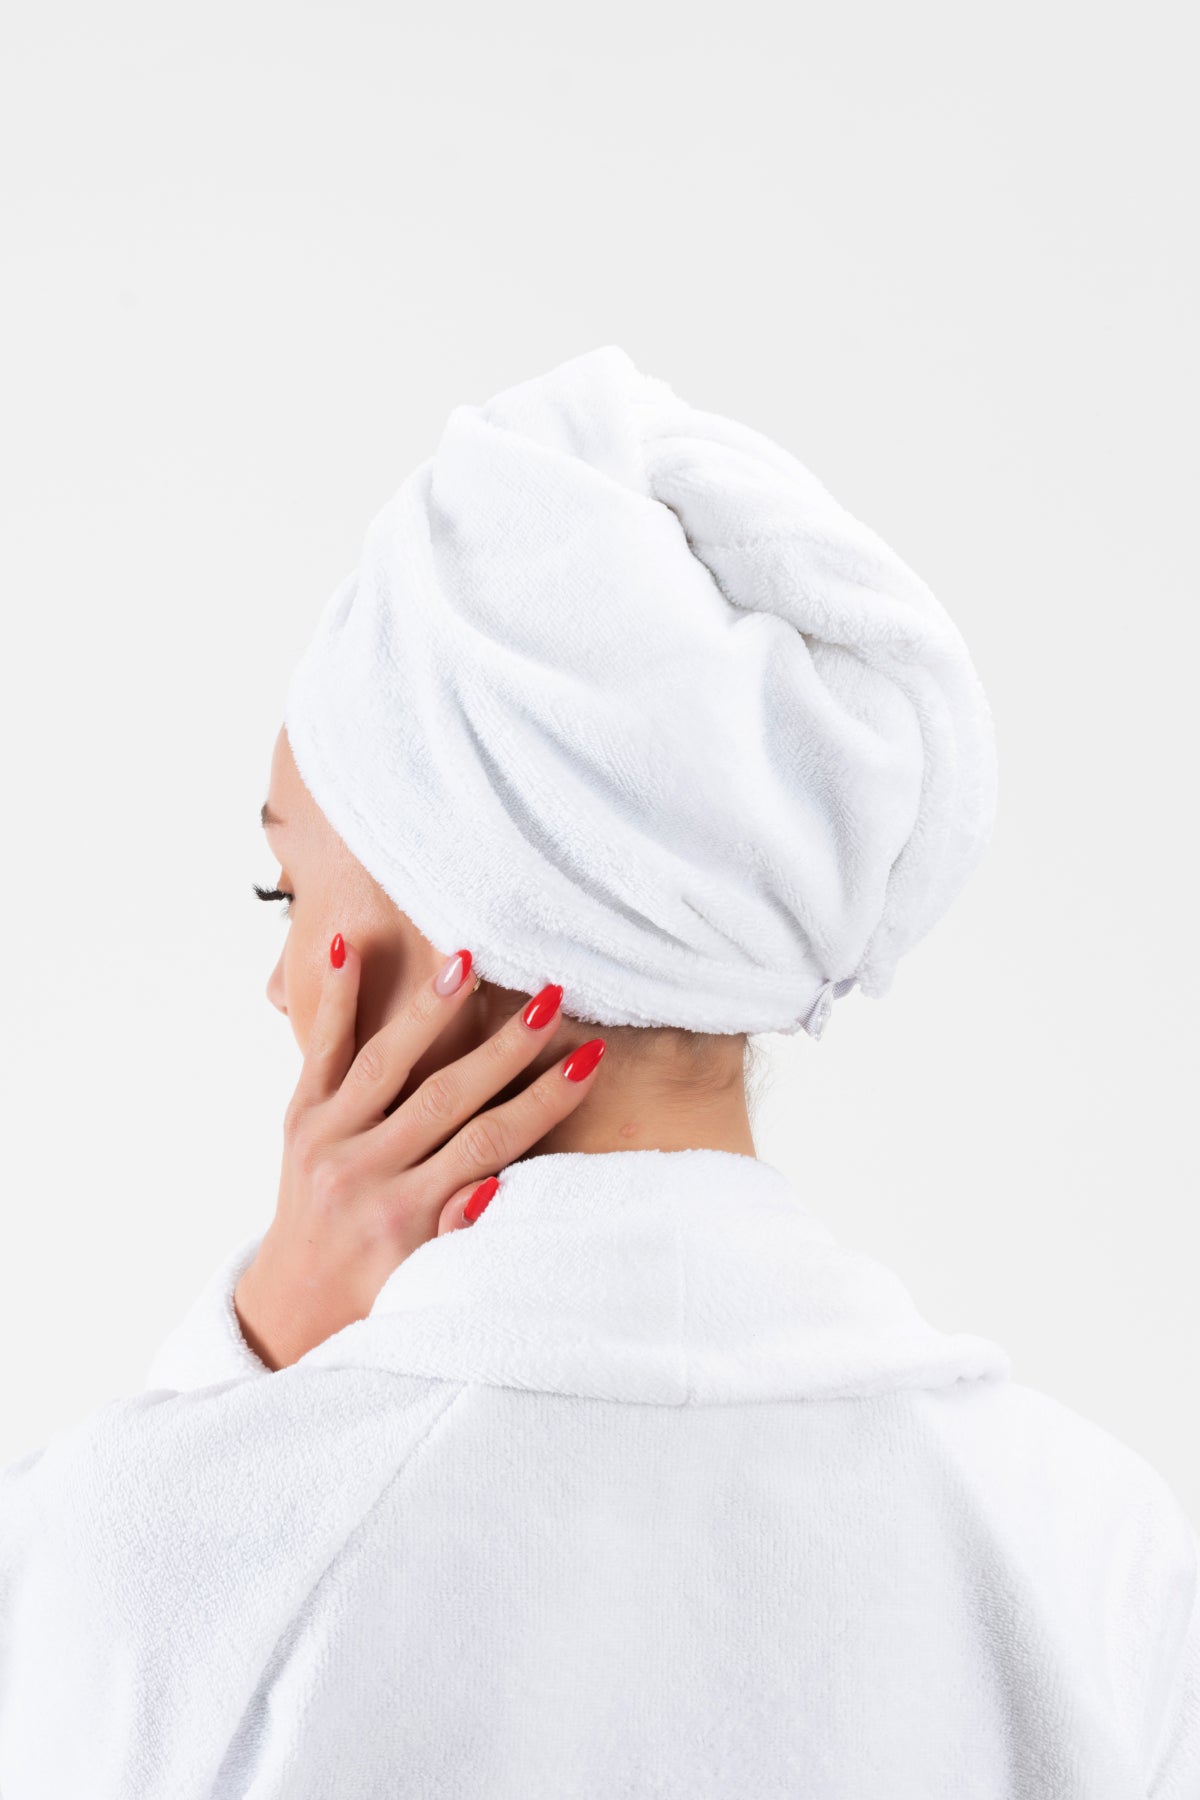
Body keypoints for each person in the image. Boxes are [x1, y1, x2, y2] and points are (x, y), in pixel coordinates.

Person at [1, 347, 1196, 1798]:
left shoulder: (147, 1568)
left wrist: (262, 1346)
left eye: (289, 892)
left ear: (467, 909)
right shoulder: (1099, 1553)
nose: (280, 978)